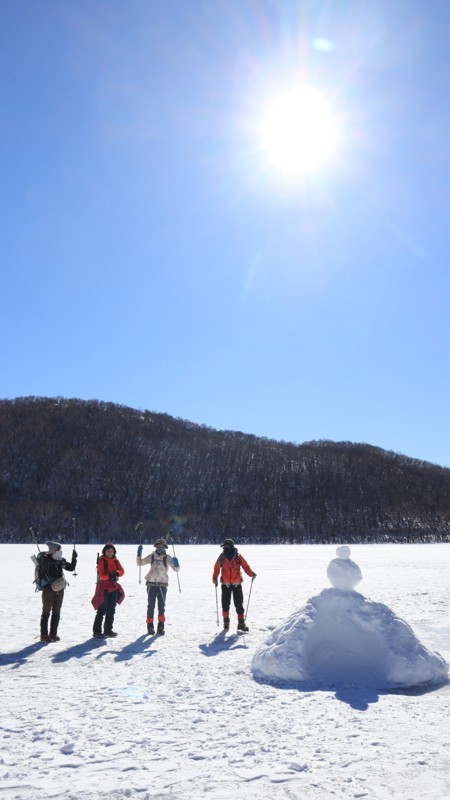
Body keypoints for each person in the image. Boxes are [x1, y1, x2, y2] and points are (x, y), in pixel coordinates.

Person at [136, 538, 180, 635]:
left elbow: (176, 570)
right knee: (150, 606)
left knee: (161, 606)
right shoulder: (152, 556)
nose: (160, 547)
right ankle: (150, 627)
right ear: (156, 546)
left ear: (165, 547)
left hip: (162, 585)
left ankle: (161, 626)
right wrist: (138, 555)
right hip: (151, 584)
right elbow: (139, 563)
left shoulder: (167, 558)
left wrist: (177, 564)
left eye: (162, 546)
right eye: (158, 546)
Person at [212, 539, 256, 632]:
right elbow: (216, 568)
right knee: (225, 605)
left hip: (237, 584)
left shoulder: (238, 557)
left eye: (226, 547)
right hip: (225, 584)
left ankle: (241, 624)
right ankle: (226, 624)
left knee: (239, 605)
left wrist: (251, 573)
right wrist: (214, 578)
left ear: (231, 547)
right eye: (224, 547)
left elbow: (245, 566)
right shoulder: (222, 556)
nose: (224, 548)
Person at [39, 541, 77, 642]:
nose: (60, 552)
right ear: (53, 550)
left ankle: (53, 634)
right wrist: (43, 571)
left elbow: (71, 568)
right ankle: (44, 635)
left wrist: (74, 558)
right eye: (58, 549)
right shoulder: (45, 561)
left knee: (56, 612)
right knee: (46, 612)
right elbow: (41, 576)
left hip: (60, 589)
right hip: (48, 590)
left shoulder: (60, 560)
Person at [92, 544, 125, 639]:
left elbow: (122, 571)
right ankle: (97, 631)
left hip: (113, 587)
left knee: (111, 609)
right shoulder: (102, 561)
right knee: (102, 609)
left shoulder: (116, 561)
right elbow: (101, 574)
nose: (110, 553)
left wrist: (117, 573)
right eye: (108, 551)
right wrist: (110, 575)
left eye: (111, 551)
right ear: (104, 552)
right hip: (103, 587)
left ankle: (108, 630)